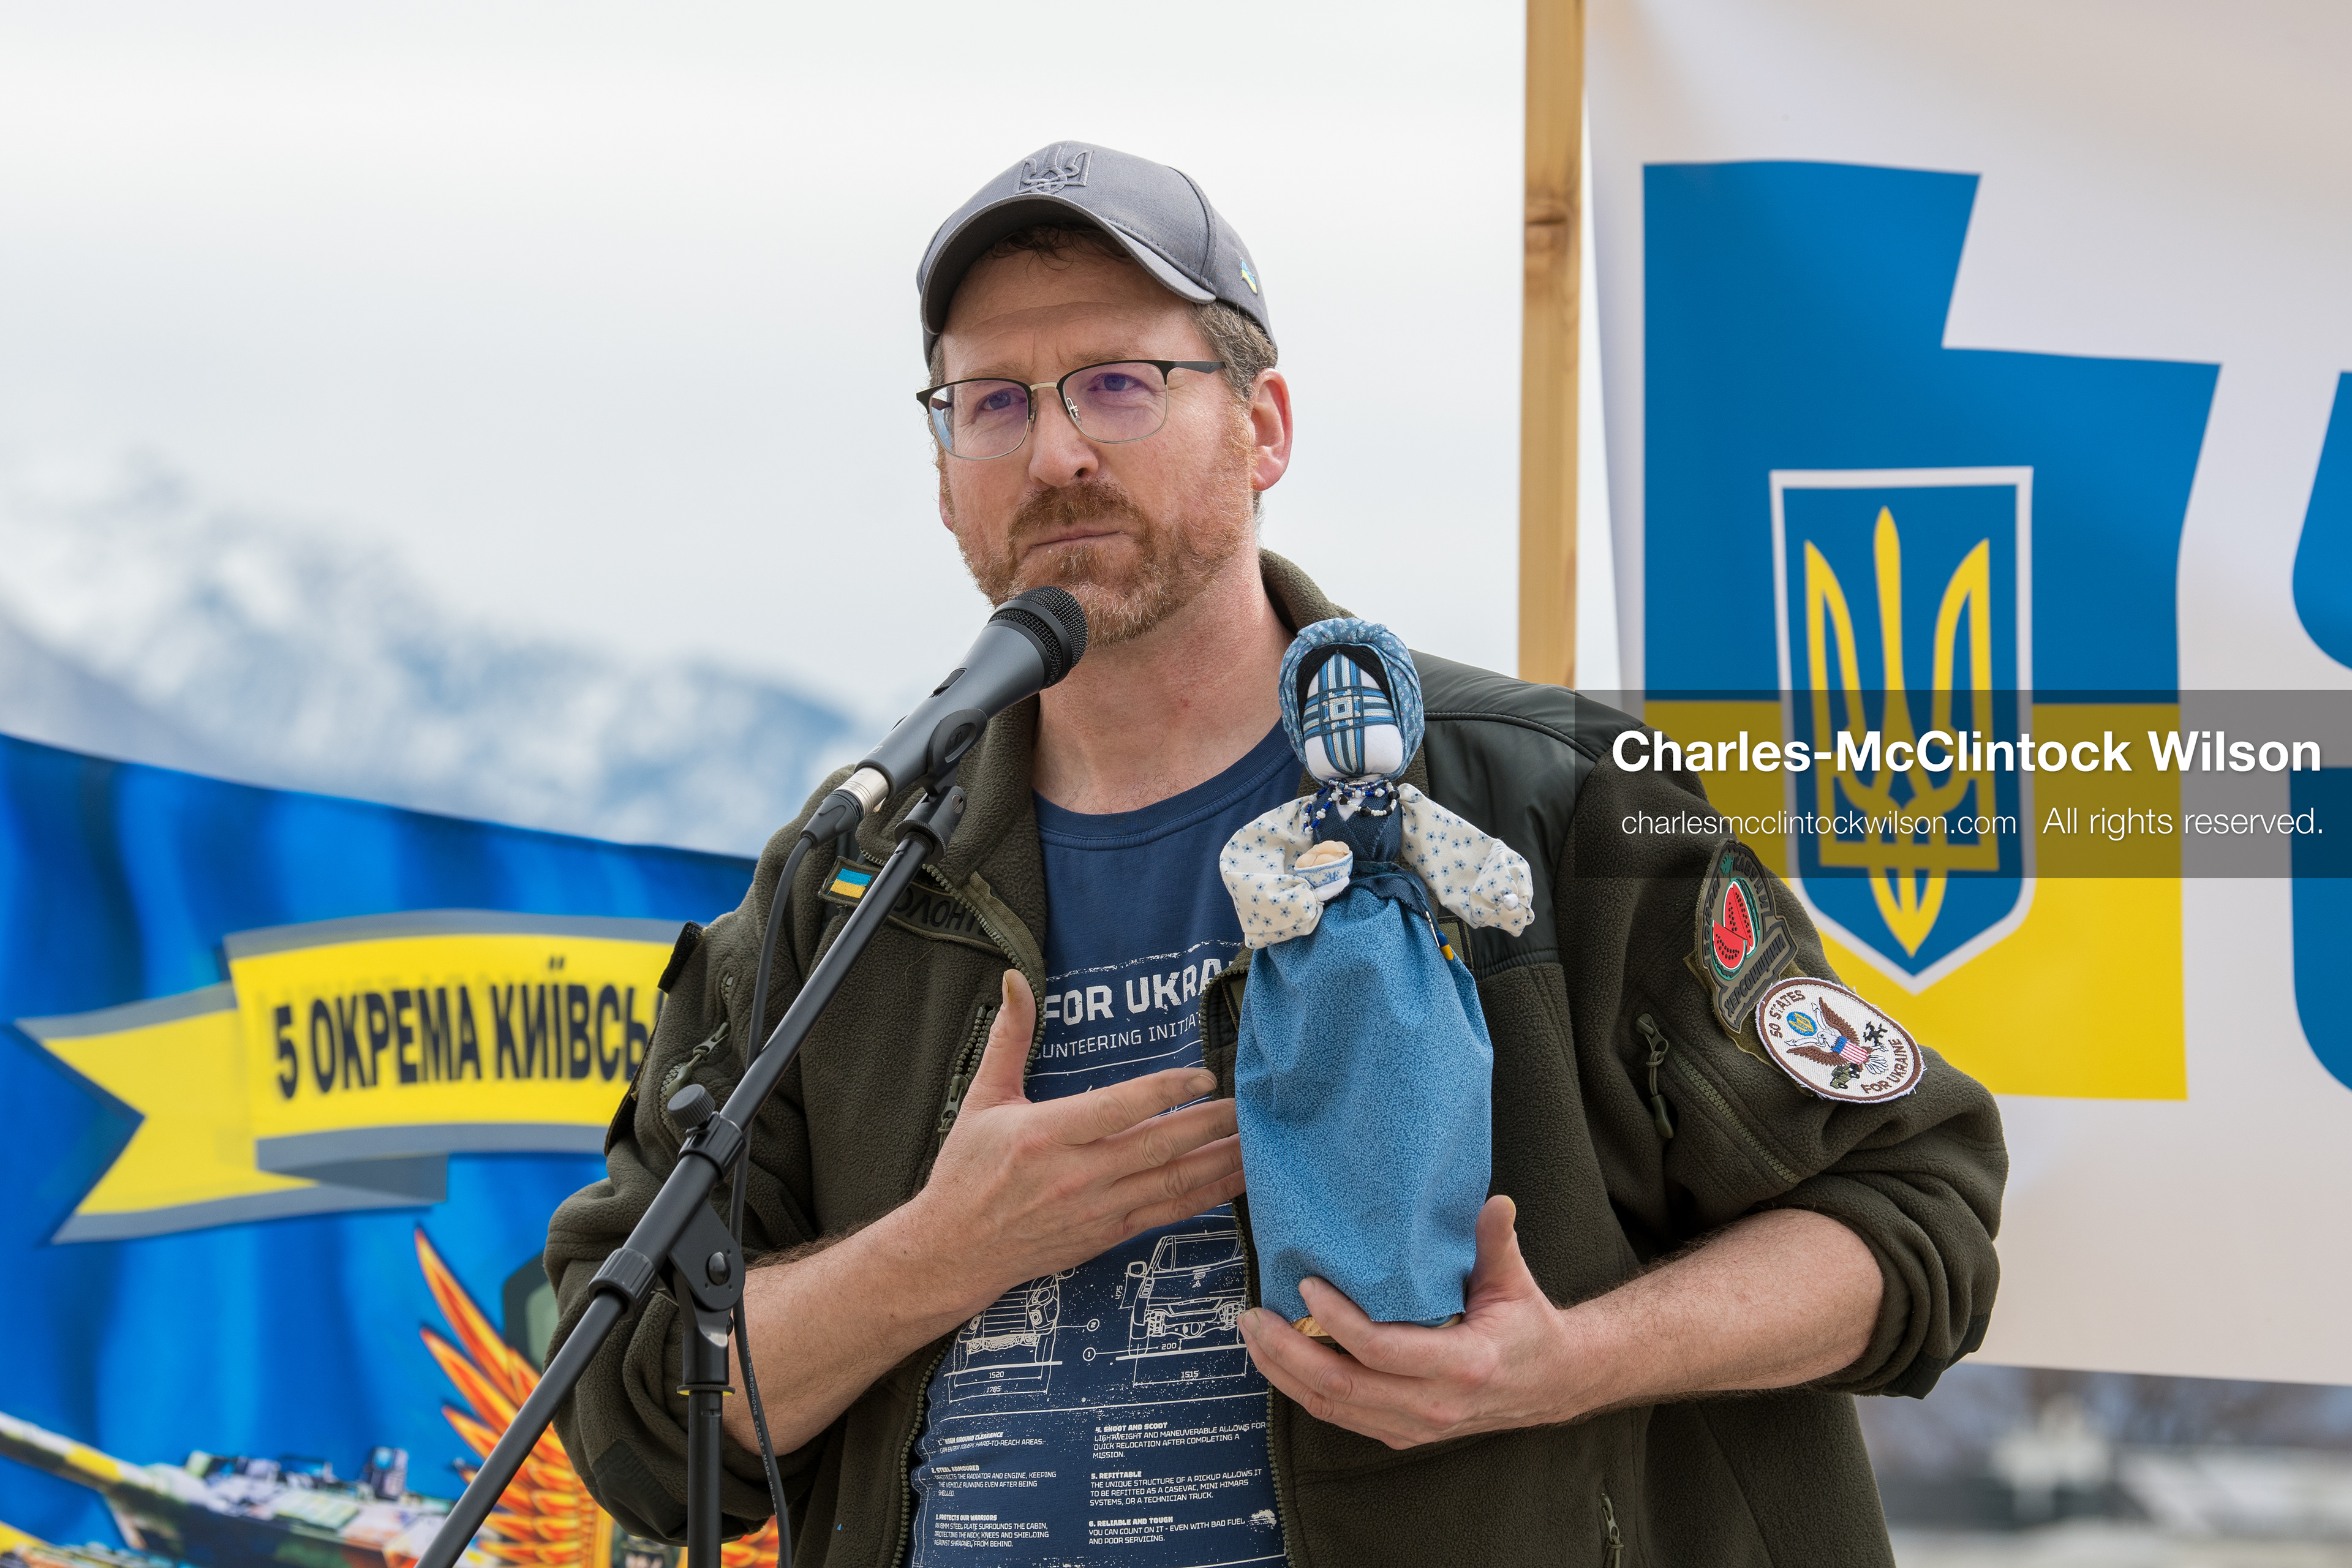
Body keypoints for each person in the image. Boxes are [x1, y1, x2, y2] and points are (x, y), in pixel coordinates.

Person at [545, 141, 2007, 1568]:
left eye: (1120, 383)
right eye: (992, 403)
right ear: (944, 478)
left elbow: (1910, 1209)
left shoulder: (1553, 793)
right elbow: (631, 1405)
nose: (1056, 450)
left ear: (1265, 428)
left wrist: (1562, 1363)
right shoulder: (848, 881)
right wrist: (942, 1250)